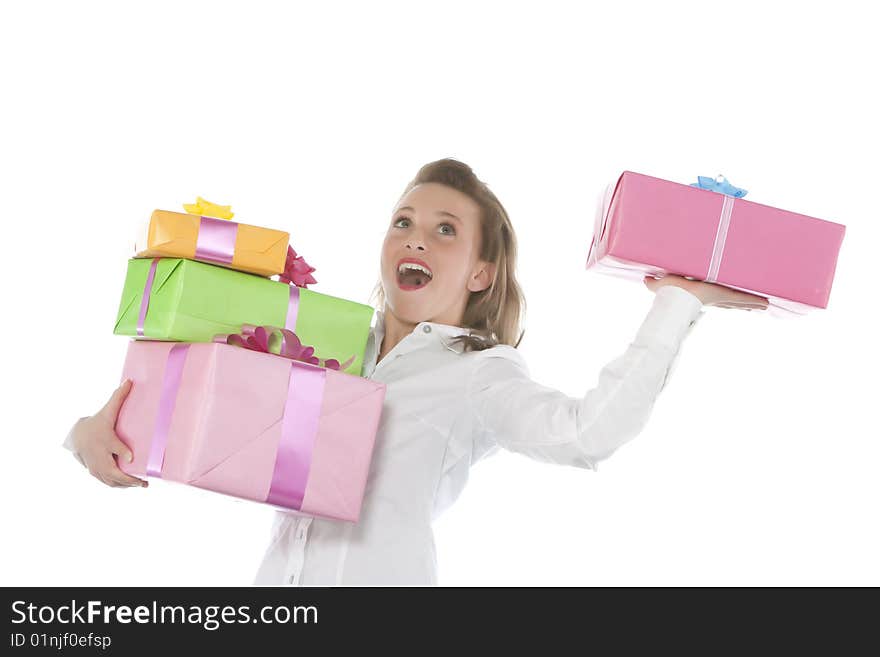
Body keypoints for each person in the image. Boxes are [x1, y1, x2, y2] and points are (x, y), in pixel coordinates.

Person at [63, 158, 769, 585]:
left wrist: (679, 301)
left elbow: (588, 432)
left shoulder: (479, 374)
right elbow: (198, 390)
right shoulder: (321, 349)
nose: (416, 238)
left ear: (481, 273)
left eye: (445, 230)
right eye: (403, 221)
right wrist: (91, 430)